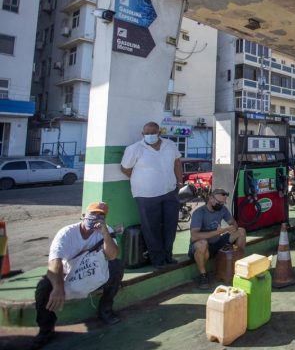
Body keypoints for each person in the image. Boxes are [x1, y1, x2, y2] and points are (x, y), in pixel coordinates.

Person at [32, 202, 123, 349]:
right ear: (83, 216)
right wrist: (58, 287)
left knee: (116, 266)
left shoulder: (106, 230)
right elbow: (55, 261)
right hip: (69, 273)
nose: (97, 218)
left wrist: (106, 234)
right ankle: (46, 329)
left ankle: (106, 309)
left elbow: (112, 256)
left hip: (92, 271)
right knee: (43, 287)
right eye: (93, 214)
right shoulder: (67, 233)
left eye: (101, 215)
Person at [120, 121, 183, 269]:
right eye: (146, 133)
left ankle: (168, 256)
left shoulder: (170, 145)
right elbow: (125, 168)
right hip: (146, 195)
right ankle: (158, 260)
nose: (149, 136)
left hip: (170, 192)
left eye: (152, 133)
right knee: (151, 228)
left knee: (170, 226)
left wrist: (179, 183)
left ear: (159, 133)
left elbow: (177, 162)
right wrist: (142, 180)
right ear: (142, 134)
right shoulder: (134, 149)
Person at [188, 189, 247, 289]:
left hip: (217, 242)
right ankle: (203, 275)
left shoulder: (222, 209)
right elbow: (194, 236)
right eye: (219, 202)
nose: (221, 205)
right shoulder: (199, 213)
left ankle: (238, 264)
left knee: (241, 231)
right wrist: (217, 232)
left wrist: (232, 228)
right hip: (202, 246)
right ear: (211, 198)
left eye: (223, 202)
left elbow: (234, 224)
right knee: (202, 244)